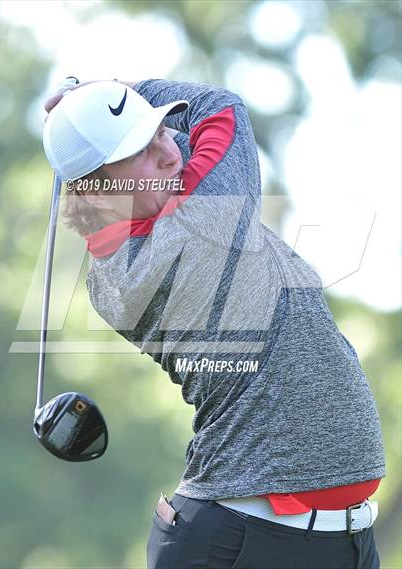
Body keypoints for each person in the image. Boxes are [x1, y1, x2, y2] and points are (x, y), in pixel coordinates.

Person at [43, 78, 386, 569]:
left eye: (161, 130)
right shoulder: (197, 226)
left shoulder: (139, 224)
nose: (168, 152)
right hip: (244, 543)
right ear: (98, 192)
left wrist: (102, 118)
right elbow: (221, 110)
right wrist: (118, 87)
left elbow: (170, 155)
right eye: (142, 150)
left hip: (333, 542)